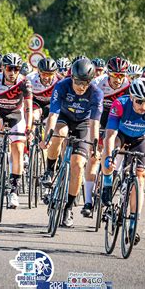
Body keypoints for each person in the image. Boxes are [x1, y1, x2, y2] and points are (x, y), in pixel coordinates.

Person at [101, 78, 145, 244]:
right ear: (131, 97)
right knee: (111, 153)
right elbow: (110, 135)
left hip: (141, 139)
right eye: (139, 101)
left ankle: (133, 223)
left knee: (140, 178)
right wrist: (109, 157)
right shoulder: (120, 104)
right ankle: (108, 185)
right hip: (120, 136)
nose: (143, 106)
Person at [39, 58, 103, 227]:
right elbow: (52, 116)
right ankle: (49, 170)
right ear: (72, 77)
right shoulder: (61, 86)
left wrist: (95, 146)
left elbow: (95, 124)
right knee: (59, 134)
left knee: (77, 165)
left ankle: (68, 207)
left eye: (86, 83)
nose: (82, 87)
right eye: (78, 82)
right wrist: (47, 138)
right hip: (64, 118)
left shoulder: (96, 93)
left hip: (84, 123)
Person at [0, 53, 33, 209]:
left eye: (16, 69)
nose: (13, 72)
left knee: (17, 149)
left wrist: (29, 127)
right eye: (9, 68)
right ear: (3, 68)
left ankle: (14, 191)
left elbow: (28, 107)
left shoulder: (24, 82)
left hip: (16, 115)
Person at [81, 56, 130, 217]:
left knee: (115, 157)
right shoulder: (97, 83)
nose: (118, 79)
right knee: (94, 157)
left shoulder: (129, 86)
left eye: (121, 76)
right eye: (115, 75)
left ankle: (110, 185)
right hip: (100, 116)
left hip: (119, 119)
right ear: (108, 73)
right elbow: (89, 108)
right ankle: (88, 200)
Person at [27, 58, 60, 123]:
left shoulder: (60, 80)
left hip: (50, 103)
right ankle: (32, 132)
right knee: (34, 117)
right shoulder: (30, 78)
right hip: (36, 102)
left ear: (55, 73)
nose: (46, 77)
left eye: (50, 74)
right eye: (44, 74)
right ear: (38, 71)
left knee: (51, 121)